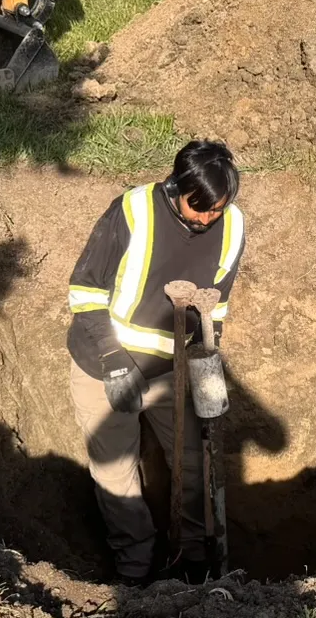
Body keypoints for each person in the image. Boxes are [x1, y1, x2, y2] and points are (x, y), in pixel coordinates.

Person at [67, 141, 245, 583]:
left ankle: (193, 561)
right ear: (176, 187)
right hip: (104, 360)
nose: (206, 218)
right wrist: (112, 359)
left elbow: (215, 304)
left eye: (216, 210)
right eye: (197, 207)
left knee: (192, 463)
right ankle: (136, 568)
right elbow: (85, 290)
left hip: (172, 369)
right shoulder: (132, 212)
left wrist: (207, 358)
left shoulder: (233, 226)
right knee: (116, 473)